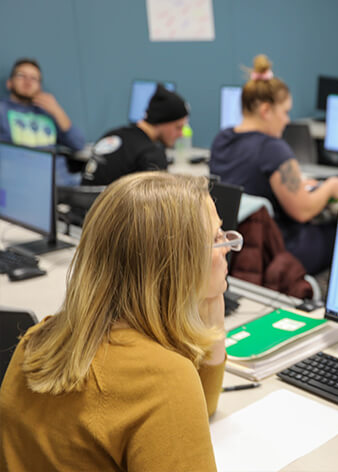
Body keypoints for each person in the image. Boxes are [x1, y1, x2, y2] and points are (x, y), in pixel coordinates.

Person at [0, 171, 237, 471]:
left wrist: (211, 320)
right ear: (177, 263)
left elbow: (201, 408)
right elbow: (180, 403)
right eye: (216, 238)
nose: (228, 246)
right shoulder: (164, 379)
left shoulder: (37, 339)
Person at [209, 54, 338, 275]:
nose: (286, 120)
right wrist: (331, 186)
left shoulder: (222, 139)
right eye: (284, 112)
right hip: (278, 251)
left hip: (239, 248)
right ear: (266, 110)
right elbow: (302, 211)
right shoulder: (272, 148)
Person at [0, 57, 85, 185]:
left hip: (61, 183)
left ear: (40, 86)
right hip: (20, 181)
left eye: (34, 78)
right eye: (21, 76)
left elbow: (78, 144)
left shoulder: (48, 111)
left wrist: (58, 111)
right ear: (9, 83)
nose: (28, 82)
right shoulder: (3, 109)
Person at [81, 84, 188, 185]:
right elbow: (157, 203)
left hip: (85, 203)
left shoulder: (112, 135)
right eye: (178, 127)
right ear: (161, 122)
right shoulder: (152, 155)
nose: (181, 134)